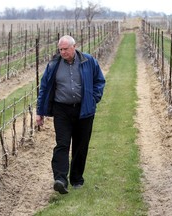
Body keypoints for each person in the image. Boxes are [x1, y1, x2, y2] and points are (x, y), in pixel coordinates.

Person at [36, 35, 105, 194]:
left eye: (65, 49)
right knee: (62, 144)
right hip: (62, 110)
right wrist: (40, 112)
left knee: (80, 146)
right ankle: (60, 179)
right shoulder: (54, 64)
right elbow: (44, 88)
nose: (63, 52)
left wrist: (93, 99)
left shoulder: (88, 61)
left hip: (84, 110)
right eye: (60, 49)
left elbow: (99, 81)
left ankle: (76, 179)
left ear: (74, 47)